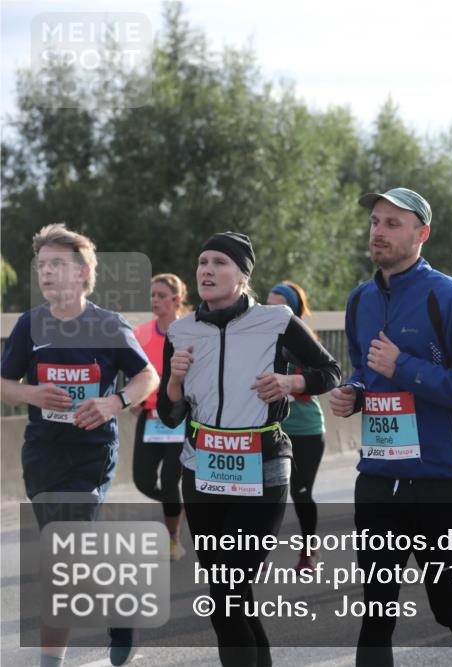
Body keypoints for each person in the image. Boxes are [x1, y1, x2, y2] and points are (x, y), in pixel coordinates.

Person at [327, 188, 452, 667]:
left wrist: (403, 366)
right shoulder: (360, 299)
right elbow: (366, 371)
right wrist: (354, 393)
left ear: (422, 233)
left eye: (392, 223)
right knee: (376, 611)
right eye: (375, 222)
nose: (378, 232)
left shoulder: (450, 295)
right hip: (379, 477)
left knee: (447, 606)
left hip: (440, 480)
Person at [157, 232, 341, 667]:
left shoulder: (276, 320)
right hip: (202, 471)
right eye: (202, 262)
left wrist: (291, 381)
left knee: (227, 596)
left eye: (219, 262)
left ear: (242, 276)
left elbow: (329, 371)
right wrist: (175, 380)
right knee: (230, 595)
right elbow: (170, 414)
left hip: (262, 470)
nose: (207, 270)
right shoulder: (181, 330)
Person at [0, 224, 160, 667]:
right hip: (43, 452)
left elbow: (148, 376)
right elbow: (4, 383)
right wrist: (32, 394)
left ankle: (51, 660)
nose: (47, 273)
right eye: (42, 266)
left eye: (57, 264)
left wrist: (114, 401)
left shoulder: (107, 324)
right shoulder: (31, 325)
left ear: (84, 271)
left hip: (90, 453)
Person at [266, 280, 328, 573]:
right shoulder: (257, 338)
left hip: (305, 429)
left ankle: (309, 550)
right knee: (261, 494)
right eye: (268, 306)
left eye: (279, 307)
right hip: (269, 429)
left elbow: (319, 382)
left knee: (300, 493)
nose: (272, 312)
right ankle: (255, 553)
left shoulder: (305, 342)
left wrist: (287, 383)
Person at [132, 274, 191, 562]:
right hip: (149, 416)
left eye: (161, 295)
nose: (154, 300)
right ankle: (177, 505)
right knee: (142, 481)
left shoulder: (189, 333)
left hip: (178, 417)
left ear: (176, 300)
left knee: (170, 480)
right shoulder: (140, 332)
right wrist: (133, 397)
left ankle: (172, 537)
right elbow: (133, 370)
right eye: (152, 295)